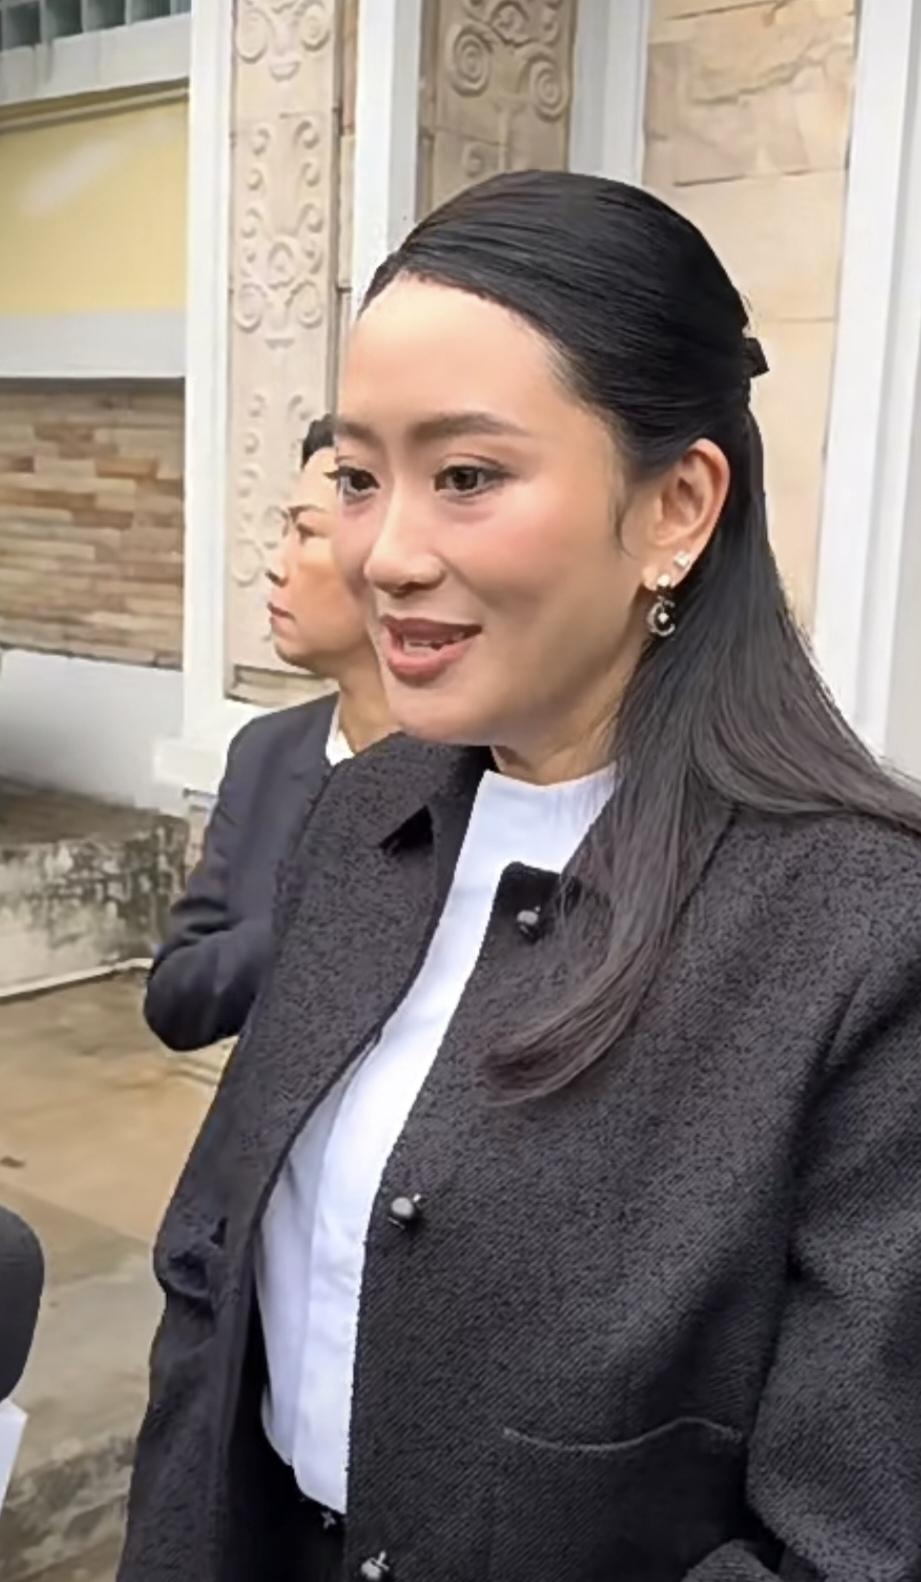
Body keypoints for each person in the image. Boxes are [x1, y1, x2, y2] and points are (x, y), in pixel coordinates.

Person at [120, 172, 921, 1582]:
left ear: (676, 505)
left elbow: (848, 1535)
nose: (387, 554)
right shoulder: (360, 813)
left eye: (468, 477)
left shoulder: (861, 934)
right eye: (359, 478)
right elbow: (213, 1287)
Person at [143, 415, 390, 1053]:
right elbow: (175, 1001)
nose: (275, 567)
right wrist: (307, 922)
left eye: (307, 533)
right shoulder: (267, 753)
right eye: (285, 529)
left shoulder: (490, 771)